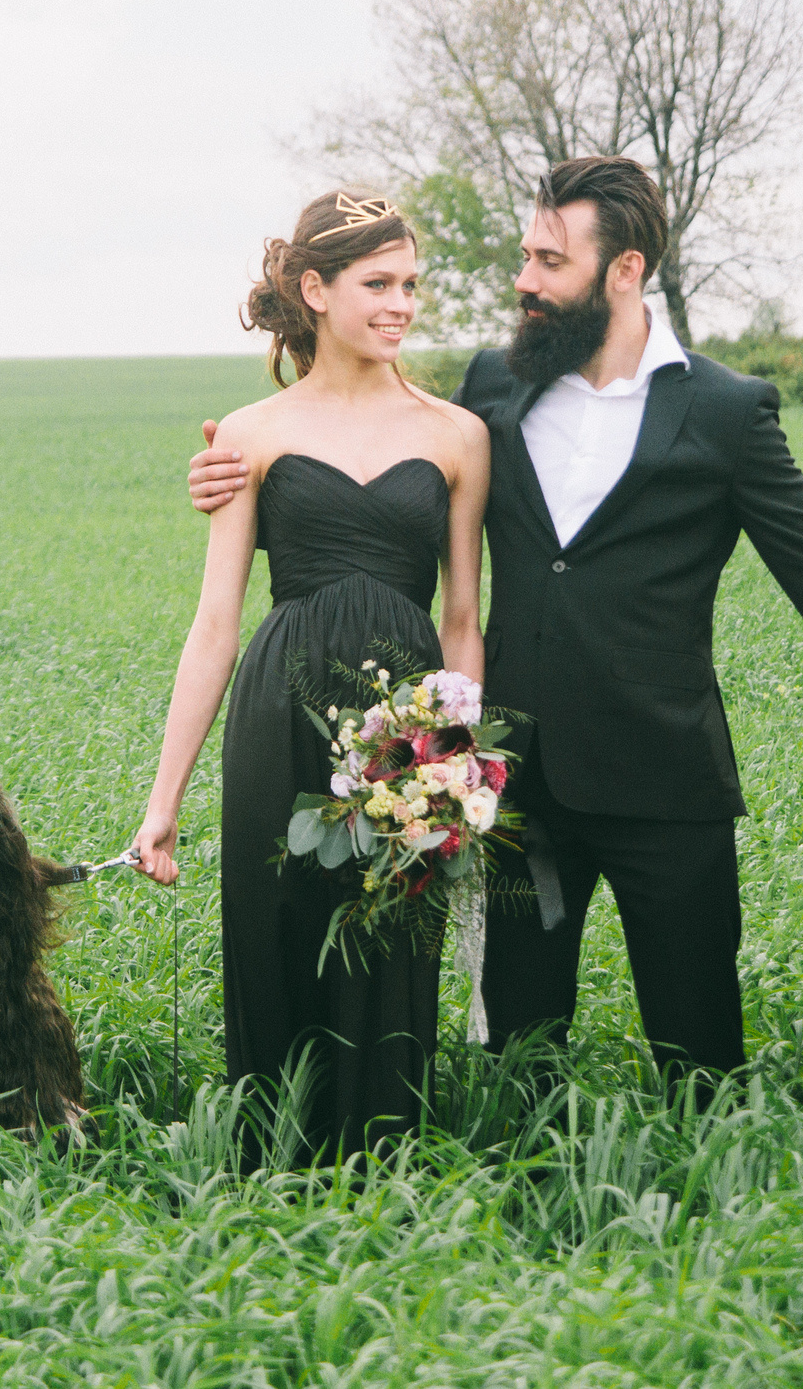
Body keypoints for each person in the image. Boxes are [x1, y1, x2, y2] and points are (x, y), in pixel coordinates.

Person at [187, 156, 803, 1092]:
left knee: (701, 1064)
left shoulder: (725, 413)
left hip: (670, 787)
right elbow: (372, 468)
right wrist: (232, 472)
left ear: (623, 271)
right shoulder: (496, 389)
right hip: (525, 794)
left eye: (550, 260)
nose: (523, 280)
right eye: (526, 254)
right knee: (517, 1075)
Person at [132, 187, 490, 1156]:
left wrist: (459, 765)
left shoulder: (457, 434)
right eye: (378, 283)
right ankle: (269, 1170)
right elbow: (214, 625)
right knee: (277, 929)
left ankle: (381, 1163)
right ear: (315, 289)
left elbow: (461, 616)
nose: (401, 303)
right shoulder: (248, 434)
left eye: (411, 283)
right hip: (277, 712)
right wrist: (162, 802)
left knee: (390, 948)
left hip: (408, 722)